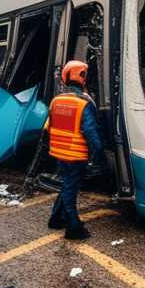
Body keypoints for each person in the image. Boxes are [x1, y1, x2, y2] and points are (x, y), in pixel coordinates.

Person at [46, 60, 104, 240]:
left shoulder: (56, 100)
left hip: (59, 152)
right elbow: (91, 132)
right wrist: (98, 156)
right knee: (71, 189)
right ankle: (73, 227)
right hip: (76, 154)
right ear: (82, 77)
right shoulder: (84, 102)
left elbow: (49, 128)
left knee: (67, 185)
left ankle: (56, 219)